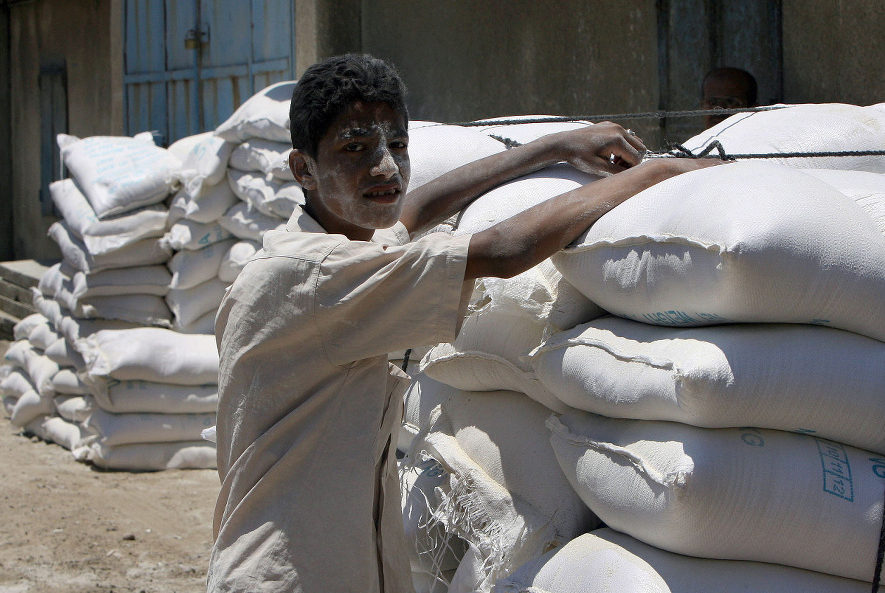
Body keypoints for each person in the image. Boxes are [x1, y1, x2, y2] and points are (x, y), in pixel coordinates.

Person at [207, 53, 719, 593]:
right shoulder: (310, 274)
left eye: (397, 146)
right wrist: (656, 174)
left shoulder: (339, 248)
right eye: (355, 149)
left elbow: (414, 210)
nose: (385, 168)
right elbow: (502, 251)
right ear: (302, 168)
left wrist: (553, 148)